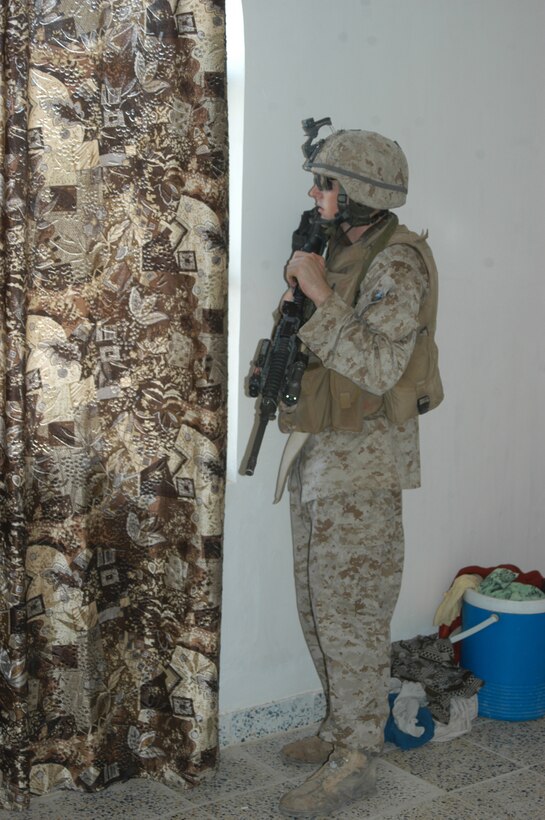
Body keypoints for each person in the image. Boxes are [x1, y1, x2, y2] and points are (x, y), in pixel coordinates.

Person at [275, 122, 440, 818]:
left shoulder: (396, 263)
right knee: (318, 609)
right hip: (320, 451)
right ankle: (337, 728)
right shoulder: (343, 248)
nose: (315, 193)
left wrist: (316, 295)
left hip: (363, 465)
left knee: (351, 617)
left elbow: (377, 364)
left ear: (362, 193)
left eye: (326, 184)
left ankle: (357, 755)